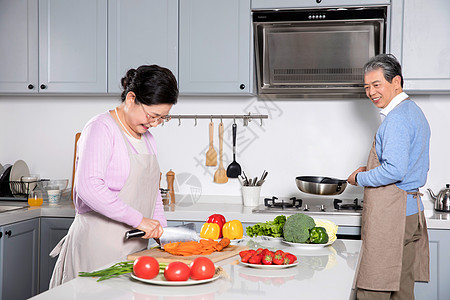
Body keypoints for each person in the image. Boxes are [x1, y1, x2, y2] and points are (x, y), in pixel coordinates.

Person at [49, 65, 178, 287]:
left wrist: (162, 232)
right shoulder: (101, 128)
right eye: (152, 116)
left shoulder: (148, 139)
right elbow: (89, 188)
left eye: (162, 118)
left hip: (134, 249)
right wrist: (140, 221)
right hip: (97, 247)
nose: (155, 123)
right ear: (131, 98)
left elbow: (152, 192)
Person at [347, 54, 430, 299]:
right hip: (410, 211)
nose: (371, 92)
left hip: (393, 215)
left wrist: (358, 179)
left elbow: (394, 170)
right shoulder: (413, 111)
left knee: (374, 287)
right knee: (402, 289)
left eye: (376, 84)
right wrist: (369, 169)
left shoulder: (395, 120)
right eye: (366, 87)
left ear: (397, 82)